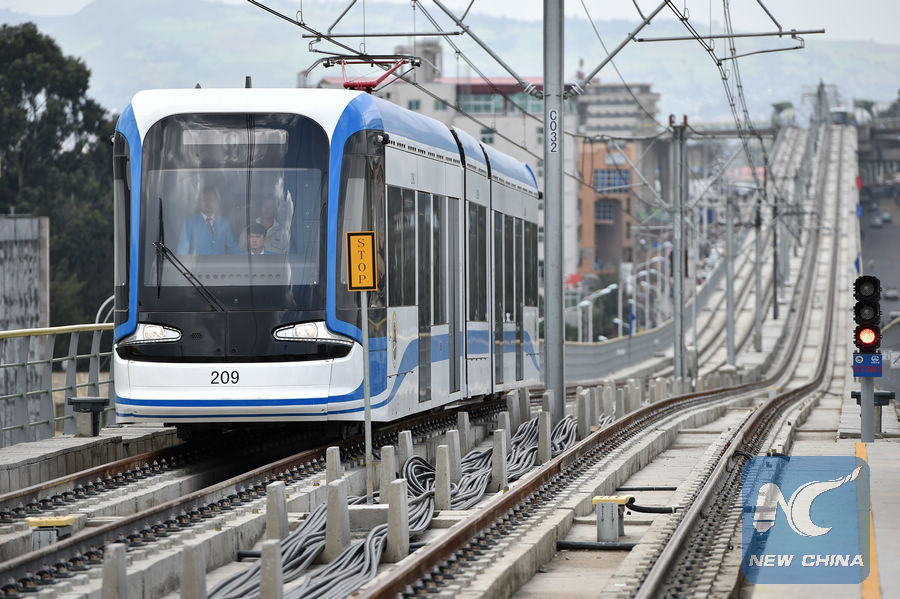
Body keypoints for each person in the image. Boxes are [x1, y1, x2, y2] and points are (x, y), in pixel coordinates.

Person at [177, 187, 239, 255]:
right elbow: (183, 249)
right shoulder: (190, 222)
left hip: (220, 262)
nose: (208, 202)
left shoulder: (223, 223)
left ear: (216, 202)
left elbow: (231, 247)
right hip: (198, 262)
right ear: (198, 202)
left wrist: (247, 255)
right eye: (204, 199)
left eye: (211, 199)